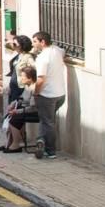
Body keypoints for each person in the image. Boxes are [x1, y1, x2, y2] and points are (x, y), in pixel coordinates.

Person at [32, 31, 66, 159]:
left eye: (35, 41)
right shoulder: (57, 50)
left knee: (48, 122)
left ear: (42, 42)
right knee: (46, 120)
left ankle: (50, 151)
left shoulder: (42, 58)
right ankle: (41, 140)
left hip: (47, 95)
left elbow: (41, 79)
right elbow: (64, 53)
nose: (33, 44)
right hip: (60, 94)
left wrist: (36, 92)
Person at [0, 66, 39, 153]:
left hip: (31, 112)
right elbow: (21, 98)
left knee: (13, 120)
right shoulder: (27, 87)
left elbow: (33, 107)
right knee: (8, 117)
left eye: (23, 76)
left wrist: (17, 111)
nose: (21, 78)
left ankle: (16, 144)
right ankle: (9, 142)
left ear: (30, 78)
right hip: (23, 109)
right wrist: (13, 104)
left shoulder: (34, 88)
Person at [6, 35, 35, 106]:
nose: (13, 46)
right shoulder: (18, 55)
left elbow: (33, 71)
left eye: (15, 44)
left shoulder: (28, 57)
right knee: (11, 107)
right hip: (14, 86)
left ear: (22, 45)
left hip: (21, 88)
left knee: (16, 109)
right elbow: (14, 71)